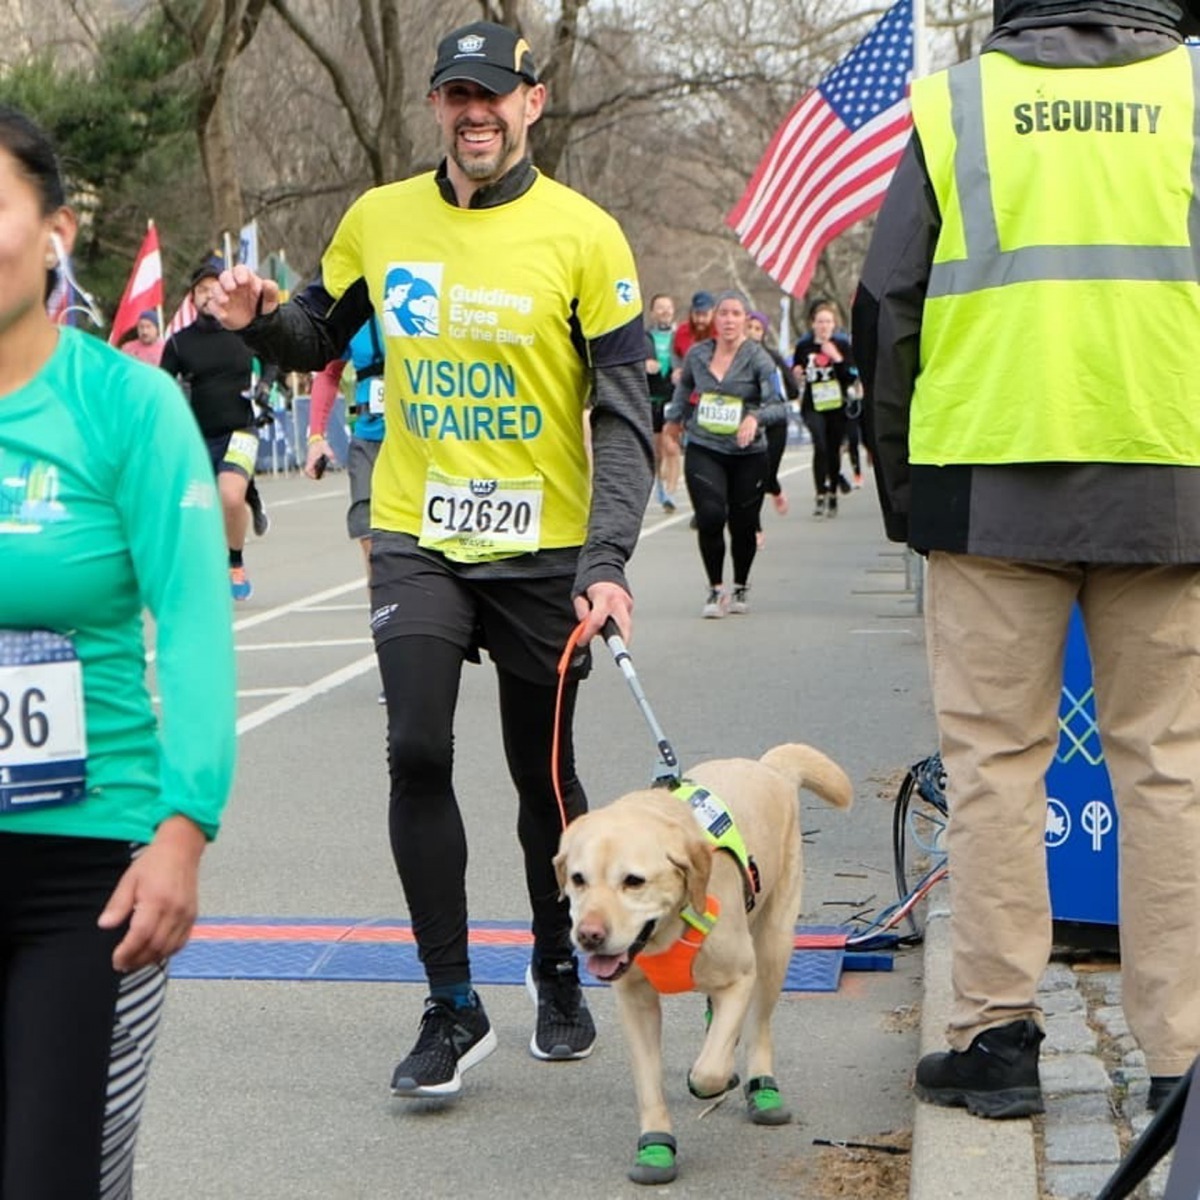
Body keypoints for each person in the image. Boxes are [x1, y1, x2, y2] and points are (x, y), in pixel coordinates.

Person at [208, 20, 654, 1100]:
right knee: (415, 749)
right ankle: (452, 1003)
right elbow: (317, 332)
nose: (475, 113)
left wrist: (606, 557)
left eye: (493, 95)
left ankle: (559, 963)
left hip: (543, 548)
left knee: (542, 776)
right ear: (439, 108)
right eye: (457, 95)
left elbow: (625, 414)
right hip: (416, 527)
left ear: (532, 103)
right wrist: (264, 318)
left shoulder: (586, 236)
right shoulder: (380, 218)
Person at [853, 0, 1200, 1121]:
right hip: (1171, 474)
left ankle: (997, 1037)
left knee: (996, 770)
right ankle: (1182, 1060)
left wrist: (909, 492)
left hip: (988, 484)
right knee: (1170, 774)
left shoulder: (960, 103)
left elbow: (886, 304)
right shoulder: (1193, 96)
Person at [0, 106, 236, 1197]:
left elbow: (191, 623)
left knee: (59, 1178)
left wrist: (183, 829)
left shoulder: (127, 406)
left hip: (87, 873)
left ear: (56, 229)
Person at [664, 289, 784, 617]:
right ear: (715, 320)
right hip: (705, 446)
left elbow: (778, 405)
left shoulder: (759, 358)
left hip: (748, 453)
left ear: (746, 320)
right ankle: (715, 589)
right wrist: (673, 421)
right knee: (710, 515)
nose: (729, 319)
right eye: (723, 313)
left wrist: (754, 417)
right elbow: (685, 387)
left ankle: (741, 583)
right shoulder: (698, 354)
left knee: (743, 524)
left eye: (735, 314)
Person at [160, 259, 275, 601]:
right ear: (192, 298)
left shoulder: (242, 331)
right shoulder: (180, 343)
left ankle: (235, 562)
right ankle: (248, 493)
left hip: (240, 429)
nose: (208, 294)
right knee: (200, 511)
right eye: (201, 290)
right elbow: (162, 384)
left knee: (229, 496)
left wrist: (266, 386)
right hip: (198, 436)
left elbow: (273, 357)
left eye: (214, 287)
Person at [793, 299, 855, 518]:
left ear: (834, 324)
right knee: (820, 444)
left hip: (836, 405)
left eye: (828, 322)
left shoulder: (843, 345)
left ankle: (832, 494)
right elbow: (797, 368)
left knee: (832, 448)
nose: (824, 326)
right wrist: (797, 372)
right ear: (813, 324)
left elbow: (851, 376)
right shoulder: (804, 346)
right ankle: (820, 492)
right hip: (813, 404)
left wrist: (836, 358)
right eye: (820, 322)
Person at [747, 308, 799, 543]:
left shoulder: (773, 358)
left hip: (775, 420)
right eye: (749, 327)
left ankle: (775, 488)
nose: (752, 332)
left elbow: (792, 389)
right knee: (753, 478)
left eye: (757, 329)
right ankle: (754, 527)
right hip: (749, 423)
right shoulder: (734, 359)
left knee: (768, 473)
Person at [645, 292, 681, 512]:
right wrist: (644, 366)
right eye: (660, 308)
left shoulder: (680, 337)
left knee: (672, 447)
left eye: (668, 307)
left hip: (673, 397)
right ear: (652, 312)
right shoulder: (644, 338)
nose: (665, 311)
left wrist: (681, 372)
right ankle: (659, 485)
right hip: (651, 398)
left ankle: (671, 493)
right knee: (657, 450)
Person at [670, 289, 714, 383]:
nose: (700, 320)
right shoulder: (681, 331)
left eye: (705, 315)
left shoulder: (720, 334)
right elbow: (675, 353)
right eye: (697, 315)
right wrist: (677, 368)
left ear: (713, 314)